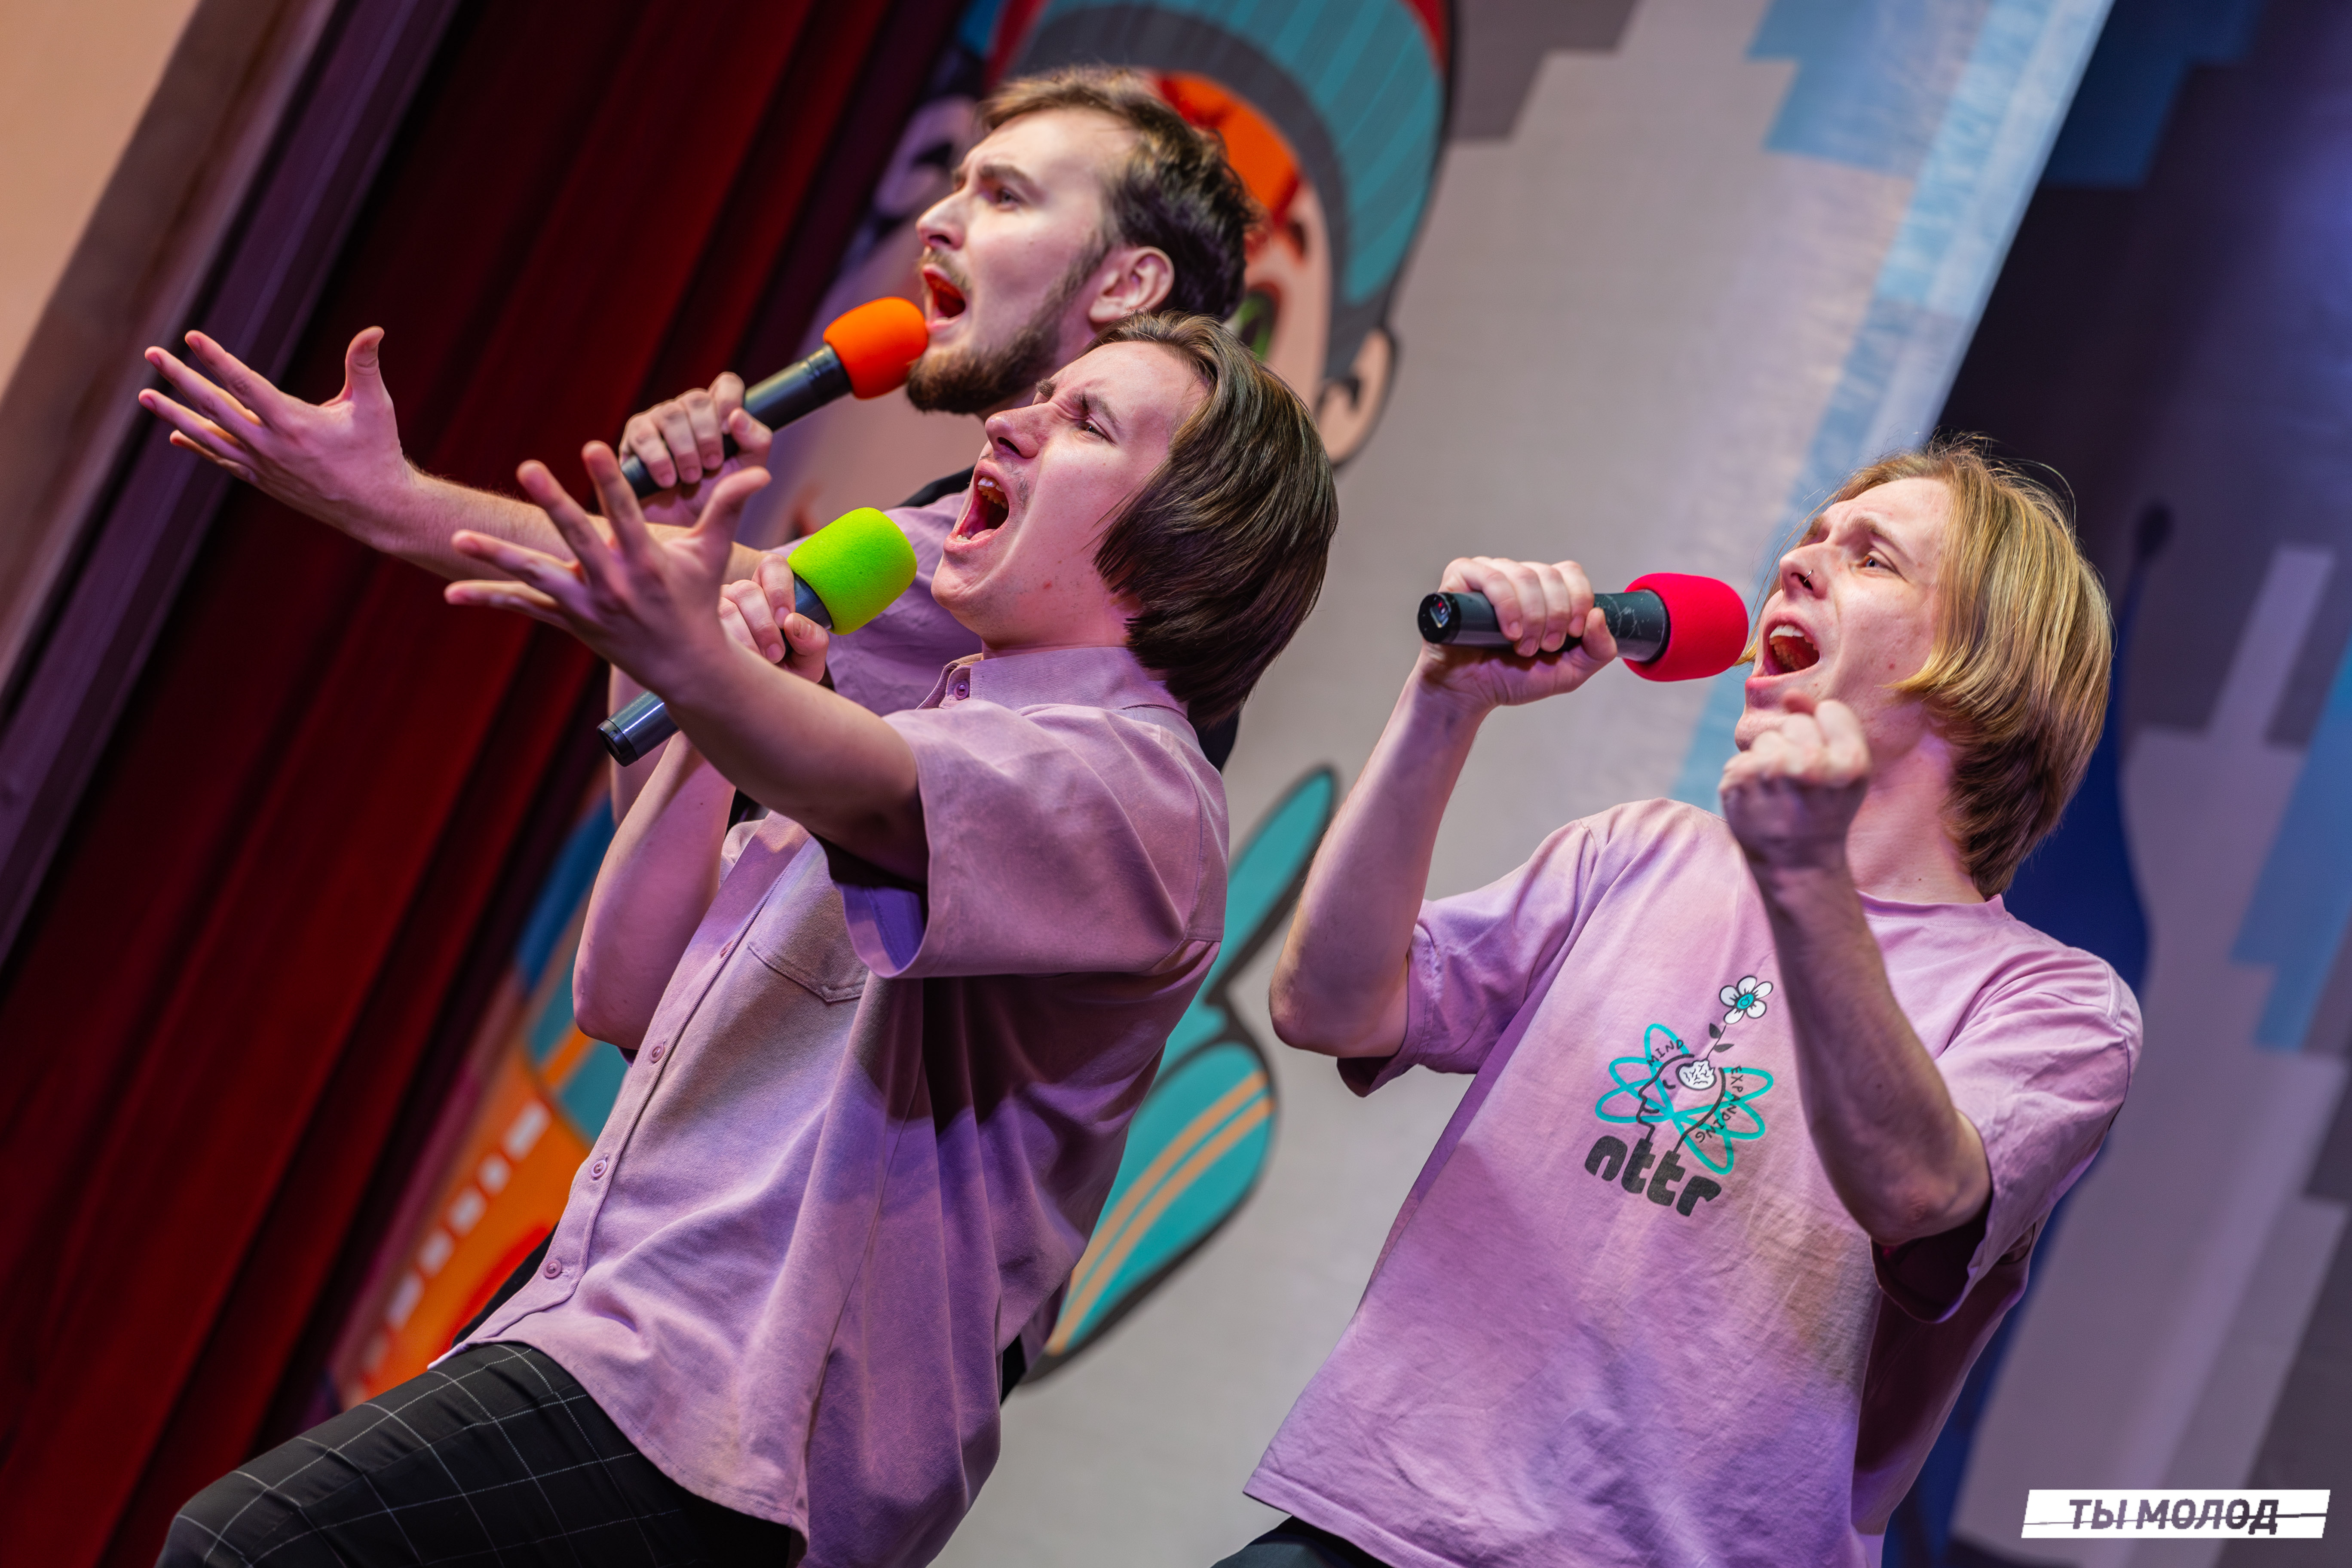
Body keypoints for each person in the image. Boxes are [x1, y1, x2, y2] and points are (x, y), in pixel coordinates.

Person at [161, 313, 1337, 1567]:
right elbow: (625, 992)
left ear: (1189, 549)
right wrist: (696, 688)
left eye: (1085, 422)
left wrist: (718, 678)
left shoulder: (1140, 791)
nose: (1010, 424)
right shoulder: (916, 723)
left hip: (749, 1429)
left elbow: (871, 790)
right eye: (1040, 397)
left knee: (253, 1548)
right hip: (613, 1336)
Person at [1221, 441, 2140, 1568]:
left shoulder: (2056, 1006)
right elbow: (1328, 1004)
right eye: (1809, 538)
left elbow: (1916, 1191)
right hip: (1366, 1528)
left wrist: (1806, 880)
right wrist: (1442, 706)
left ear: (1986, 672)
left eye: (1871, 559)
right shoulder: (1639, 852)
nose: (1798, 563)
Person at [134, 68, 1257, 767]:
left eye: (1003, 196)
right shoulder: (954, 519)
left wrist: (389, 501)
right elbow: (641, 961)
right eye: (954, 184)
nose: (937, 221)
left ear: (1129, 284)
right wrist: (672, 536)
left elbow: (727, 598)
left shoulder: (1101, 551)